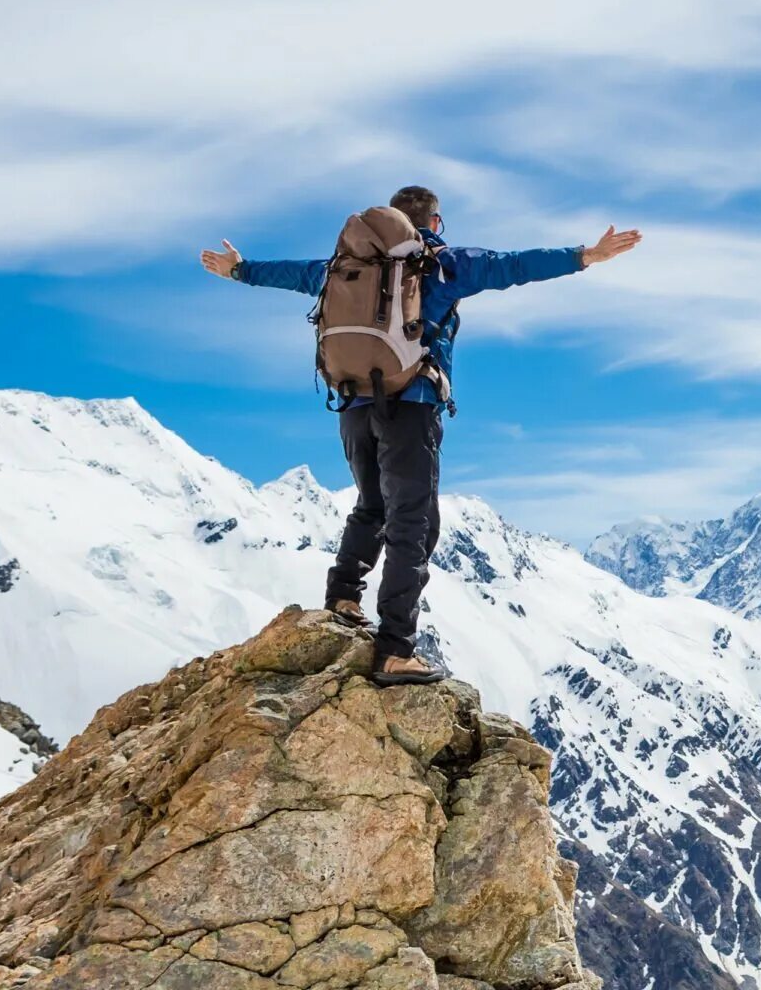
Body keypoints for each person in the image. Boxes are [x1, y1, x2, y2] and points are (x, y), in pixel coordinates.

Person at [200, 185, 641, 685]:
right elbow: (514, 266)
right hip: (410, 406)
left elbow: (289, 274)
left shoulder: (343, 264)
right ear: (433, 222)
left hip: (351, 402)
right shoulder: (441, 263)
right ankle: (394, 649)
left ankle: (343, 598)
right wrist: (586, 256)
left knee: (372, 505)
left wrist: (239, 269)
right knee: (413, 523)